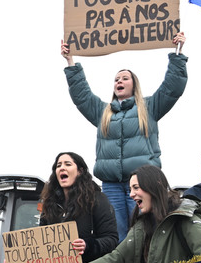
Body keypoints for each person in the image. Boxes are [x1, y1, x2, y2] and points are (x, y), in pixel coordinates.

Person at [61, 33, 188, 242]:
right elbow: (82, 95)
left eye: (125, 78)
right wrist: (70, 61)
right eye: (116, 79)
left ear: (134, 84)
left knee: (145, 228)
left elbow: (171, 88)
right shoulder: (103, 112)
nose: (119, 81)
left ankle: (147, 262)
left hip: (142, 182)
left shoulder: (149, 107)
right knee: (116, 232)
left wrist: (178, 54)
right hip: (111, 184)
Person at [56, 164, 201, 263]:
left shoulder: (185, 217)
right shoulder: (140, 226)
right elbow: (117, 257)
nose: (131, 194)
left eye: (136, 188)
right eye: (130, 189)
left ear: (156, 185)